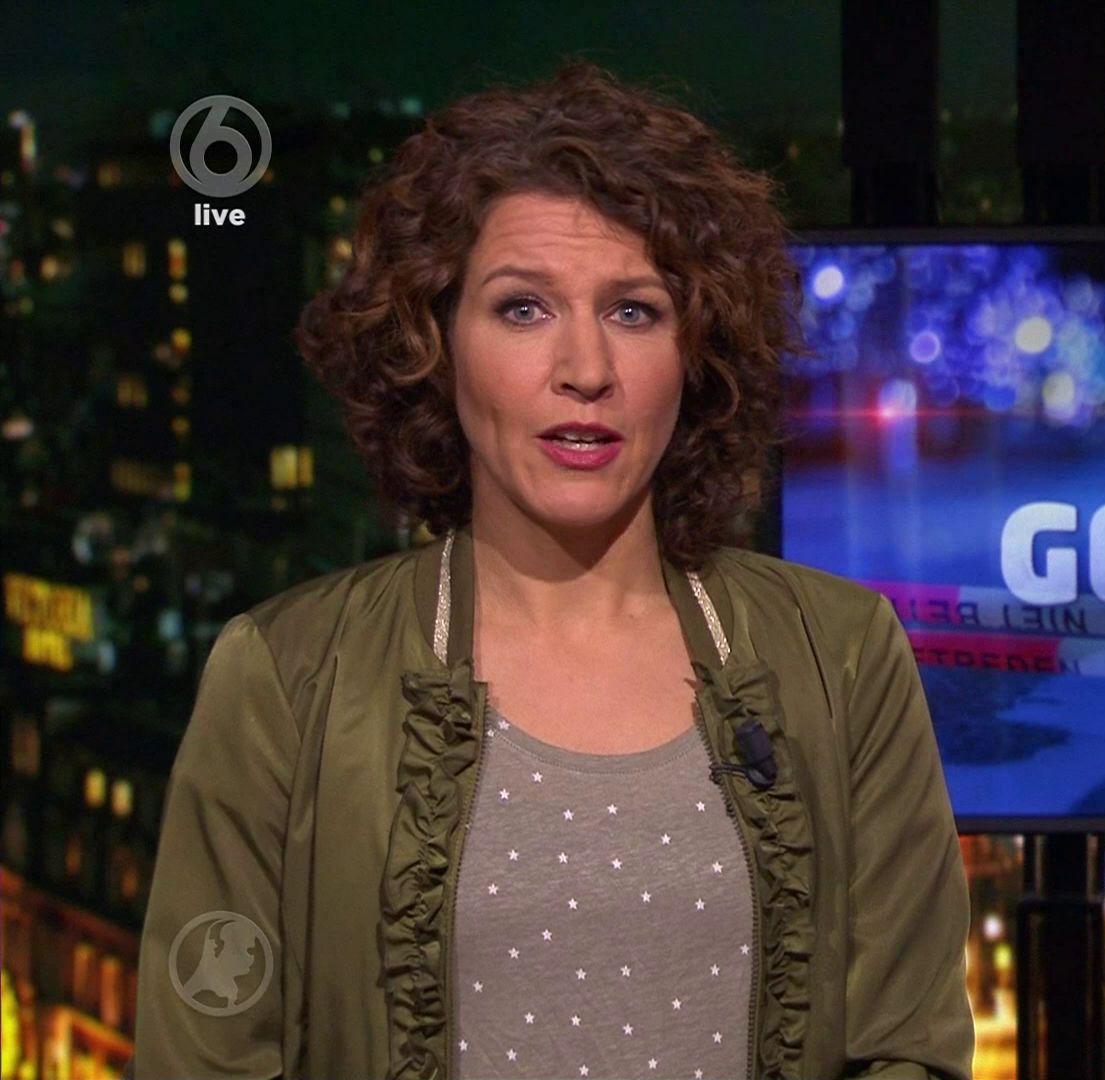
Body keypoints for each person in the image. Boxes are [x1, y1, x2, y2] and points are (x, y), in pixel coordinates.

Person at [130, 58, 974, 1080]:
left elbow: (909, 1047)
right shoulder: (284, 677)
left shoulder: (841, 656)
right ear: (435, 342)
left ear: (697, 352)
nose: (585, 370)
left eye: (635, 311)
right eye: (524, 309)